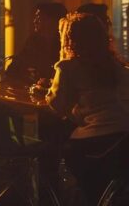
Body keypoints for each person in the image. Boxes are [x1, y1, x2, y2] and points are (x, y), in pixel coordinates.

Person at [46, 13, 129, 205]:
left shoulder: (69, 67)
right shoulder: (120, 68)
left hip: (96, 142)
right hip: (124, 140)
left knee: (53, 140)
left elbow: (56, 104)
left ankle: (51, 197)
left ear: (71, 39)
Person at [5, 2, 67, 85]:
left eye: (39, 18)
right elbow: (12, 70)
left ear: (53, 21)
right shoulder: (33, 40)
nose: (34, 21)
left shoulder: (66, 45)